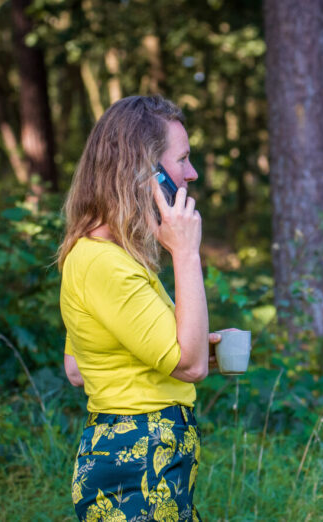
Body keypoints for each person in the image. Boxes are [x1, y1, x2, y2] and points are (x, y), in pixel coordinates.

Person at [58, 95, 222, 521]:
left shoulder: (106, 257)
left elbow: (79, 368)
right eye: (182, 159)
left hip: (142, 463)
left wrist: (200, 346)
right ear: (143, 170)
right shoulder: (103, 263)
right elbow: (189, 367)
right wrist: (186, 254)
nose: (192, 173)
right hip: (138, 468)